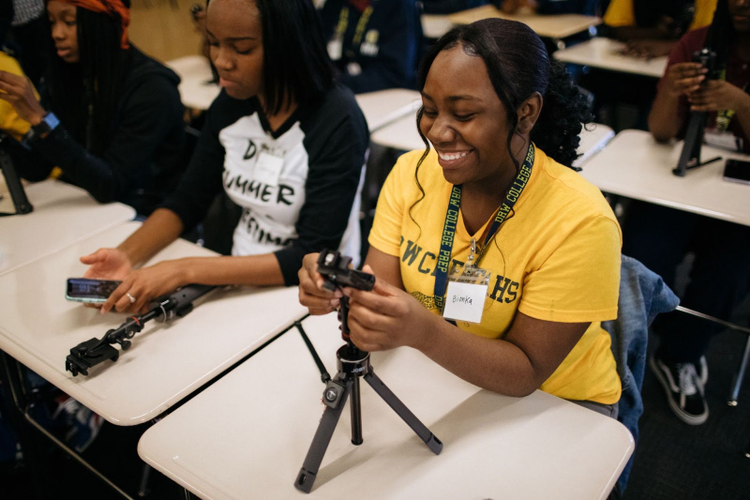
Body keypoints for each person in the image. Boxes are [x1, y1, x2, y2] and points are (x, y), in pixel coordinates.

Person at [299, 19, 623, 416]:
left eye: (464, 114)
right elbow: (382, 289)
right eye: (429, 110)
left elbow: (527, 372)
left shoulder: (581, 221)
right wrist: (343, 290)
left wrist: (422, 331)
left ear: (526, 113)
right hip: (444, 374)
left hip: (555, 404)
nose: (437, 132)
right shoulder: (411, 174)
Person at [81, 0, 368, 314]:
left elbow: (310, 252)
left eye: (241, 49)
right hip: (236, 276)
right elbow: (189, 199)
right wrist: (126, 254)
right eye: (212, 43)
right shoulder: (232, 103)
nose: (220, 60)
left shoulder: (338, 119)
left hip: (312, 295)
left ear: (289, 45)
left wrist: (182, 269)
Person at [624, 0, 750, 425]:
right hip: (683, 181)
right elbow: (660, 132)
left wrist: (742, 104)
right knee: (640, 247)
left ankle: (682, 354)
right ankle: (629, 346)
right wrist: (672, 92)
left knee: (731, 269)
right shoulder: (697, 44)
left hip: (738, 202)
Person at [0, 0, 187, 216]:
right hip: (88, 208)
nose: (57, 34)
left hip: (142, 215)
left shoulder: (152, 90)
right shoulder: (67, 76)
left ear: (105, 22)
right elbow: (37, 168)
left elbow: (111, 186)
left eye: (70, 22)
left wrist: (42, 120)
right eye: (51, 22)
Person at [318, 0, 421, 92]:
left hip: (387, 97)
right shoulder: (335, 4)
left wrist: (336, 82)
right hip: (342, 91)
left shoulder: (399, 6)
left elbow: (395, 76)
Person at [604, 0, 718, 58]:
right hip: (637, 69)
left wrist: (670, 47)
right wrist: (656, 33)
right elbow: (616, 28)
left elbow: (712, 39)